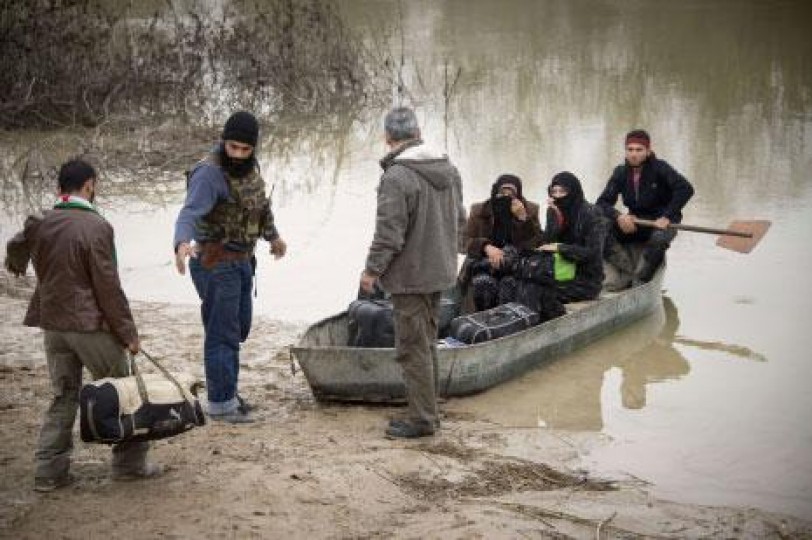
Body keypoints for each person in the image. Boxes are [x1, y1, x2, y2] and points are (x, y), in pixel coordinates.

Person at [4, 159, 162, 492]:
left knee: (63, 396)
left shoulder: (40, 222)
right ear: (89, 185)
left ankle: (49, 472)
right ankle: (130, 466)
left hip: (53, 325)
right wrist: (129, 334)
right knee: (125, 389)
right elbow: (108, 287)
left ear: (61, 188)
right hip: (89, 325)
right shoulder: (97, 226)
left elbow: (16, 245)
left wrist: (16, 265)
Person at [173, 111, 287, 424]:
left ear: (253, 149)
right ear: (223, 142)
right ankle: (221, 404)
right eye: (232, 147)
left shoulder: (251, 170)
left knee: (238, 328)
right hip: (215, 263)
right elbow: (190, 212)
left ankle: (228, 392)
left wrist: (273, 238)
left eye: (244, 149)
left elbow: (260, 208)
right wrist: (181, 243)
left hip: (242, 262)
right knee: (222, 333)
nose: (236, 155)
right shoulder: (209, 174)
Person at [360, 106, 466, 439]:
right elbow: (460, 223)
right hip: (441, 272)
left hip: (410, 277)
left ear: (388, 138)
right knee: (427, 343)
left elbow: (389, 234)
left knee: (411, 347)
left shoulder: (397, 177)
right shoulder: (449, 169)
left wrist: (371, 271)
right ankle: (428, 411)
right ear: (418, 134)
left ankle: (422, 419)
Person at [596, 129, 694, 287]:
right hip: (636, 222)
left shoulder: (661, 168)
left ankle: (641, 280)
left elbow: (686, 189)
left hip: (662, 223)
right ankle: (626, 270)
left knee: (659, 239)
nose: (634, 154)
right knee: (600, 229)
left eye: (639, 150)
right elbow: (602, 203)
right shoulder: (620, 172)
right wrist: (619, 216)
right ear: (626, 151)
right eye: (630, 149)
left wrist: (667, 216)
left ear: (648, 151)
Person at [512, 172, 606, 320]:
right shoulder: (553, 211)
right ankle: (518, 324)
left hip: (585, 280)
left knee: (536, 291)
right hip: (558, 271)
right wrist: (554, 218)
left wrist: (561, 248)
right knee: (521, 283)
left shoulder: (592, 213)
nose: (557, 196)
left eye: (562, 191)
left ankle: (550, 324)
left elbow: (593, 253)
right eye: (554, 191)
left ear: (573, 191)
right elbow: (545, 243)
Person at [463, 174, 542, 311]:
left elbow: (536, 244)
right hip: (483, 265)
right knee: (483, 284)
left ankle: (507, 321)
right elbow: (463, 241)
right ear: (495, 192)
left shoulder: (530, 209)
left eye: (511, 193)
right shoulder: (479, 210)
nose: (506, 196)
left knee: (509, 284)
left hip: (515, 266)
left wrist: (523, 219)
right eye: (502, 192)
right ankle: (483, 318)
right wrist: (486, 247)